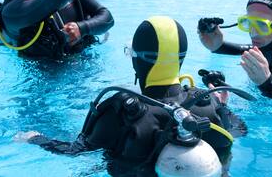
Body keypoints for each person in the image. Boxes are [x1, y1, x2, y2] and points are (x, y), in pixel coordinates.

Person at [15, 16, 247, 176]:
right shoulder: (207, 103)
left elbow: (75, 150)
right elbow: (237, 132)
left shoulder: (120, 110)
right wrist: (223, 106)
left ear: (138, 59)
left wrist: (35, 138)